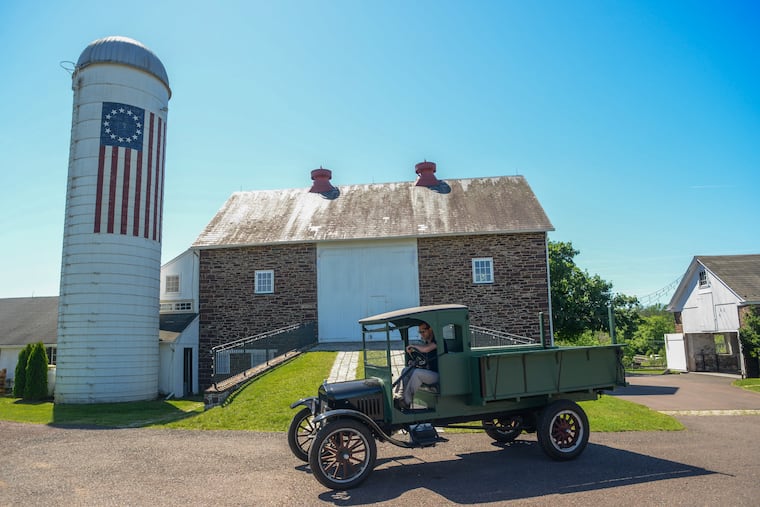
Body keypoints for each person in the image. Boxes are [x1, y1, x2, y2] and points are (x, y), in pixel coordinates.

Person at [395, 322, 439, 410]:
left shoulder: (437, 341)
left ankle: (406, 402)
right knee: (406, 370)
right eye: (420, 332)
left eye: (423, 332)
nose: (421, 334)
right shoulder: (426, 342)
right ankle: (400, 397)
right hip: (429, 372)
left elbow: (426, 349)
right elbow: (425, 360)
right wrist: (415, 362)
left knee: (417, 373)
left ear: (430, 329)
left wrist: (413, 346)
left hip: (438, 375)